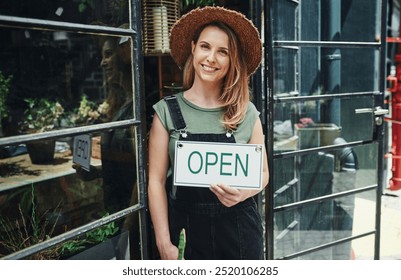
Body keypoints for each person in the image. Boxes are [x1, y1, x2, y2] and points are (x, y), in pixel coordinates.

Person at [148, 6, 269, 260]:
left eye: (222, 51)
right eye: (205, 47)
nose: (211, 58)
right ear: (193, 48)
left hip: (240, 233)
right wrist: (163, 242)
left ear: (231, 60)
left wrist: (243, 193)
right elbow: (156, 182)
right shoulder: (167, 112)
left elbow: (264, 174)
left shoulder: (246, 112)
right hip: (185, 234)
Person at [73, 30, 140, 259]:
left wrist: (126, 231)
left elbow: (144, 171)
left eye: (108, 54)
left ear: (124, 54)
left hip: (132, 221)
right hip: (117, 213)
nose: (102, 62)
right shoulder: (121, 105)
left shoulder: (139, 108)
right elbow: (128, 166)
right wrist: (96, 173)